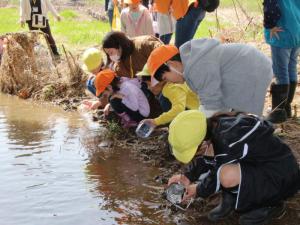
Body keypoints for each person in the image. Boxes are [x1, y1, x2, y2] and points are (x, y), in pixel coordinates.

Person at [167, 110, 300, 225]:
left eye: (194, 151)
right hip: (264, 168)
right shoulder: (216, 127)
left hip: (281, 179)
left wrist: (197, 189)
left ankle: (270, 204)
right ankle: (230, 199)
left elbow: (216, 176)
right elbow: (208, 159)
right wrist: (187, 176)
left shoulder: (228, 140)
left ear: (202, 142)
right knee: (222, 166)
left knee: (226, 174)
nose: (195, 155)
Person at [146, 40, 273, 117]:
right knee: (230, 113)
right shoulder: (191, 63)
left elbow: (211, 105)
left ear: (172, 65)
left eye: (166, 78)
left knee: (245, 119)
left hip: (252, 69)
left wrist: (193, 124)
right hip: (250, 66)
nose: (169, 82)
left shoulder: (196, 68)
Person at [263, 0, 300, 123]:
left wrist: (270, 25)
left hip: (281, 32)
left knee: (281, 72)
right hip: (296, 31)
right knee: (291, 68)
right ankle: (286, 108)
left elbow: (270, 7)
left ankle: (278, 112)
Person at [136, 63, 199, 130]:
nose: (148, 88)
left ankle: (181, 129)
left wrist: (155, 122)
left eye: (148, 84)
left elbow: (179, 108)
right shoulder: (173, 82)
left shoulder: (170, 88)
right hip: (200, 113)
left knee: (163, 99)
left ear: (158, 81)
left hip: (200, 118)